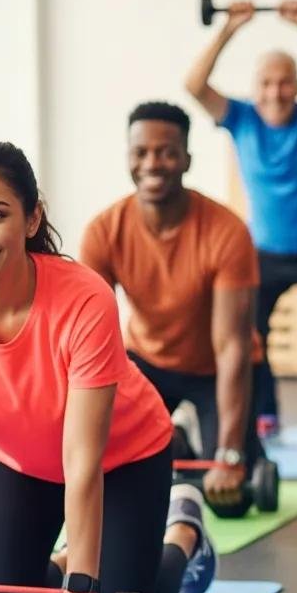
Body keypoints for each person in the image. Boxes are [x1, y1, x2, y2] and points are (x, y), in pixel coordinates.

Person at [0, 140, 218, 593]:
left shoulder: (83, 298)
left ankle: (185, 528)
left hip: (125, 457)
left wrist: (80, 591)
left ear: (32, 219)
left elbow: (83, 460)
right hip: (19, 462)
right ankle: (71, 550)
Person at [184, 0, 297, 438]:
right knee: (248, 340)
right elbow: (194, 84)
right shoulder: (241, 119)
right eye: (266, 83)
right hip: (262, 252)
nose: (275, 92)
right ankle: (262, 420)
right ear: (254, 86)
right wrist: (228, 28)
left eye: (284, 83)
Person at [81, 101, 265, 507]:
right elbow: (90, 338)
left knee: (230, 498)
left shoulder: (226, 232)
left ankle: (241, 449)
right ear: (128, 157)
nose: (153, 163)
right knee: (123, 469)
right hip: (146, 362)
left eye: (166, 152)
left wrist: (230, 454)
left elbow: (231, 346)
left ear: (186, 159)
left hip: (213, 370)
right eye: (141, 152)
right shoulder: (103, 231)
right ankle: (174, 440)